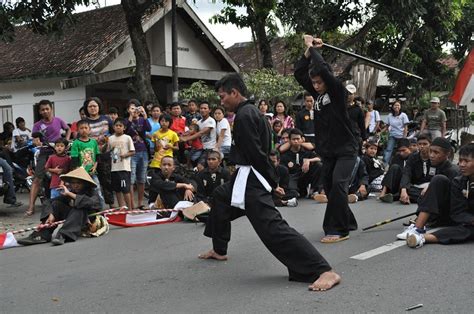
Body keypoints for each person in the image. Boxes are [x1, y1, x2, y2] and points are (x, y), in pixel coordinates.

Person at [200, 72, 341, 292]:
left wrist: (270, 182)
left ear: (234, 93)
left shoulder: (246, 116)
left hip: (253, 177)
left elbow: (258, 155)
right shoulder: (250, 112)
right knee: (220, 197)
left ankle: (323, 269)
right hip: (246, 175)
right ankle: (219, 249)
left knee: (272, 227)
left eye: (222, 96)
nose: (221, 101)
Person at [294, 35, 358, 243]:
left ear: (327, 79)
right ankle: (348, 220)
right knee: (330, 188)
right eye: (314, 83)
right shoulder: (318, 93)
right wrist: (308, 52)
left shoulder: (337, 91)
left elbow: (322, 69)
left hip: (346, 148)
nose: (316, 86)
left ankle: (339, 230)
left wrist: (313, 48)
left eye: (319, 82)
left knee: (339, 184)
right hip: (328, 150)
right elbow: (299, 73)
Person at [403, 143, 474, 248]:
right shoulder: (459, 182)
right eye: (461, 160)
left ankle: (423, 238)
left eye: (466, 161)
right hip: (462, 219)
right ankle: (418, 229)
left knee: (468, 230)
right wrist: (471, 220)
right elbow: (457, 212)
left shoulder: (452, 170)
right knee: (438, 179)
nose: (462, 164)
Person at [17, 167, 101, 246]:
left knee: (79, 208)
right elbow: (48, 202)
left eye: (78, 183)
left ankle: (63, 235)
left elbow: (92, 203)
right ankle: (43, 234)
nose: (75, 185)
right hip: (73, 220)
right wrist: (51, 213)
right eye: (73, 183)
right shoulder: (70, 192)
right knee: (56, 204)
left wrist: (70, 194)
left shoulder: (92, 192)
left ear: (85, 184)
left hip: (88, 221)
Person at [26, 99, 71, 216]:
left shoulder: (58, 120)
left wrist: (66, 140)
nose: (45, 111)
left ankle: (68, 202)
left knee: (66, 175)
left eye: (47, 109)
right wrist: (38, 143)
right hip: (45, 152)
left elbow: (68, 129)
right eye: (42, 110)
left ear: (51, 109)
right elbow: (35, 139)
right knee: (37, 179)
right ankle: (31, 207)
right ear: (40, 112)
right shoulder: (37, 125)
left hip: (59, 153)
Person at [83, 97, 115, 208]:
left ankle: (111, 204)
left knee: (107, 180)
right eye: (90, 106)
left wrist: (108, 139)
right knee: (93, 182)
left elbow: (114, 132)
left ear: (99, 107)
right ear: (86, 108)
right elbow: (81, 136)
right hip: (90, 157)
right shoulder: (84, 122)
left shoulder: (106, 119)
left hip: (105, 154)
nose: (92, 108)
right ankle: (96, 205)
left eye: (95, 106)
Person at [70, 119, 104, 208]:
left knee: (97, 189)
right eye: (81, 128)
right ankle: (81, 208)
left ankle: (101, 209)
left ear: (89, 130)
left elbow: (97, 156)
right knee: (81, 191)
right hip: (81, 174)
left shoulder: (93, 142)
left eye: (86, 128)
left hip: (92, 173)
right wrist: (79, 171)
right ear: (78, 130)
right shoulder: (76, 143)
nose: (84, 130)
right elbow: (74, 158)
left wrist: (95, 166)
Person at [280, 128, 322, 198]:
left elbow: (319, 158)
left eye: (298, 139)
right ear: (289, 141)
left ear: (302, 139)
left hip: (305, 176)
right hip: (293, 178)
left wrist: (309, 160)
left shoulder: (306, 151)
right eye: (293, 139)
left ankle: (315, 191)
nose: (296, 141)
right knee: (294, 194)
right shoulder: (285, 154)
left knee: (319, 165)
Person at [125, 99, 151, 209]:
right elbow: (125, 131)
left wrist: (145, 114)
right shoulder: (126, 121)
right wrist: (131, 116)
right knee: (131, 179)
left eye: (136, 108)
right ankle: (131, 203)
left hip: (143, 151)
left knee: (141, 178)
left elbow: (149, 128)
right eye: (132, 108)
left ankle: (140, 202)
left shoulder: (142, 119)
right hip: (132, 153)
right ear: (128, 110)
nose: (134, 110)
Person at [108, 118, 135, 209]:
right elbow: (107, 150)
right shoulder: (110, 138)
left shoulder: (127, 138)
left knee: (125, 189)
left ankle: (130, 209)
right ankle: (121, 208)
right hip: (114, 168)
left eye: (120, 126)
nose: (118, 127)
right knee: (117, 190)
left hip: (124, 168)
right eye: (116, 126)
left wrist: (125, 155)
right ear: (113, 127)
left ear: (124, 128)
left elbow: (132, 151)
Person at [181, 102, 216, 166]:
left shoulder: (211, 121)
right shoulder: (199, 122)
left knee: (200, 166)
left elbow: (201, 133)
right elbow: (192, 131)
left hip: (209, 148)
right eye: (201, 108)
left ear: (209, 110)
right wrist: (182, 135)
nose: (203, 110)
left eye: (205, 108)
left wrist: (187, 138)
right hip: (200, 148)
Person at [346, 85, 367, 154]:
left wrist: (364, 138)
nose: (349, 96)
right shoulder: (340, 107)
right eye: (347, 93)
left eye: (351, 94)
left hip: (355, 136)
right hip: (342, 137)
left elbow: (362, 125)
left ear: (354, 94)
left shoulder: (358, 109)